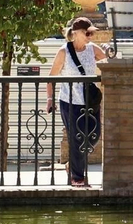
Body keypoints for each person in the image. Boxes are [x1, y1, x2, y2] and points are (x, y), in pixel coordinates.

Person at [45, 16, 107, 187]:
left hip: (90, 101)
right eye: (88, 33)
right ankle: (77, 177)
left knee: (94, 136)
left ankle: (71, 165)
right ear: (77, 33)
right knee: (76, 139)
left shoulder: (93, 49)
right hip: (69, 101)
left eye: (91, 34)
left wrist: (109, 53)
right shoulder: (63, 51)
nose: (90, 37)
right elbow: (51, 77)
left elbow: (110, 64)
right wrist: (49, 99)